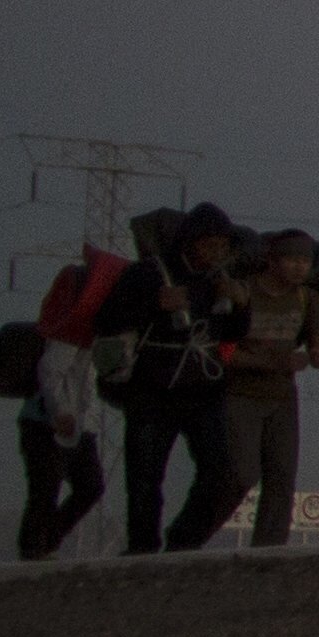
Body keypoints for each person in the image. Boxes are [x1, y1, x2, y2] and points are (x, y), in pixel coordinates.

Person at [96, 206, 241, 555]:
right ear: (191, 242)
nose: (215, 254)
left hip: (203, 389)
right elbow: (107, 321)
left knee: (221, 469)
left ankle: (183, 541)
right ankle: (142, 549)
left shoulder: (221, 280)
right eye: (209, 245)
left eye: (222, 247)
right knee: (145, 476)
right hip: (151, 389)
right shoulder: (149, 274)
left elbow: (234, 332)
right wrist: (155, 304)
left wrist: (241, 304)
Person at [207, 225, 319, 549]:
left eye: (304, 261)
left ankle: (269, 551)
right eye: (291, 260)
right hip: (240, 394)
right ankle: (196, 532)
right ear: (272, 261)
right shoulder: (244, 293)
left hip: (282, 397)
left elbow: (318, 341)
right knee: (241, 475)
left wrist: (318, 354)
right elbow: (222, 352)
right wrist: (271, 361)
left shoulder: (309, 299)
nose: (298, 267)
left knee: (281, 478)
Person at [10, 261, 109, 561]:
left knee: (88, 486)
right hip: (45, 423)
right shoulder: (69, 331)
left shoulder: (96, 335)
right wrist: (61, 411)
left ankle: (45, 542)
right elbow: (51, 371)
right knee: (46, 488)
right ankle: (34, 548)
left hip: (76, 425)